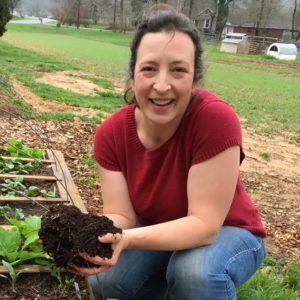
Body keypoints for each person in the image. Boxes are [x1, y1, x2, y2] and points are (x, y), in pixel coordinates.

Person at [69, 5, 267, 300]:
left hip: (229, 231)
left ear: (195, 78)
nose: (162, 85)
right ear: (133, 76)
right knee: (104, 278)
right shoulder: (110, 134)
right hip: (159, 229)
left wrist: (128, 239)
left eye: (178, 70)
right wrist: (99, 236)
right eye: (149, 69)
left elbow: (203, 225)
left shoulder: (214, 120)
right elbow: (121, 215)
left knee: (194, 272)